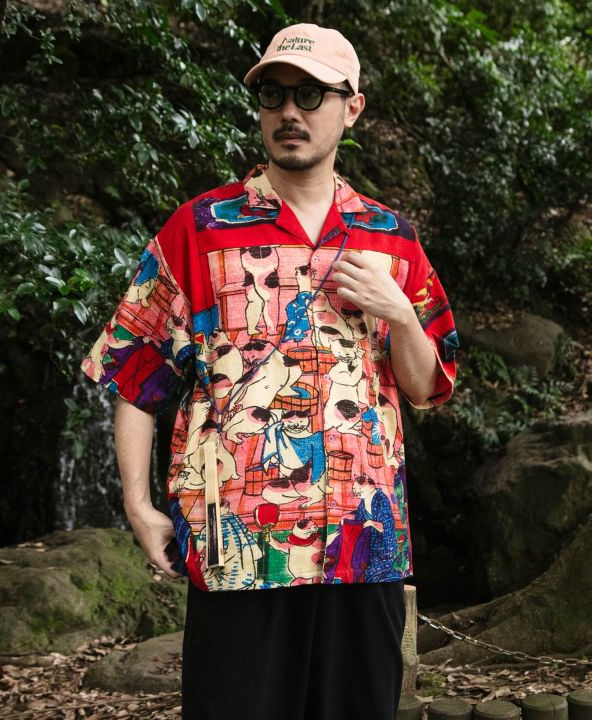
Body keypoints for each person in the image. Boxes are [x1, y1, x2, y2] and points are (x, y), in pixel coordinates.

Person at [81, 22, 459, 720]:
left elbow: (425, 385)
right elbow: (134, 373)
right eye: (274, 95)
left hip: (363, 546)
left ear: (352, 108)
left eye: (311, 95)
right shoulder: (200, 229)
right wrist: (138, 505)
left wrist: (402, 315)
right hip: (237, 546)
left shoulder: (391, 238)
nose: (290, 111)